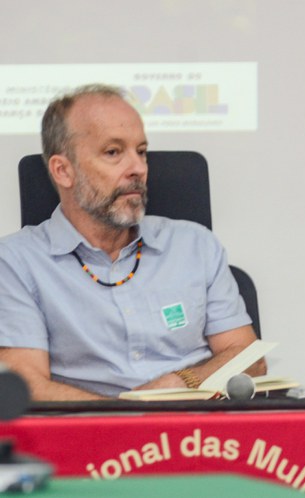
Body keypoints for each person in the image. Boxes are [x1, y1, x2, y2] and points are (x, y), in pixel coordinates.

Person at [0, 84, 265, 400]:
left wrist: (182, 381)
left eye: (141, 151)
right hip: (85, 428)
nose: (138, 168)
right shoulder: (15, 261)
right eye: (113, 152)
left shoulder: (195, 245)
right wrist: (126, 419)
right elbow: (27, 384)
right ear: (63, 171)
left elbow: (249, 359)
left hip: (194, 424)